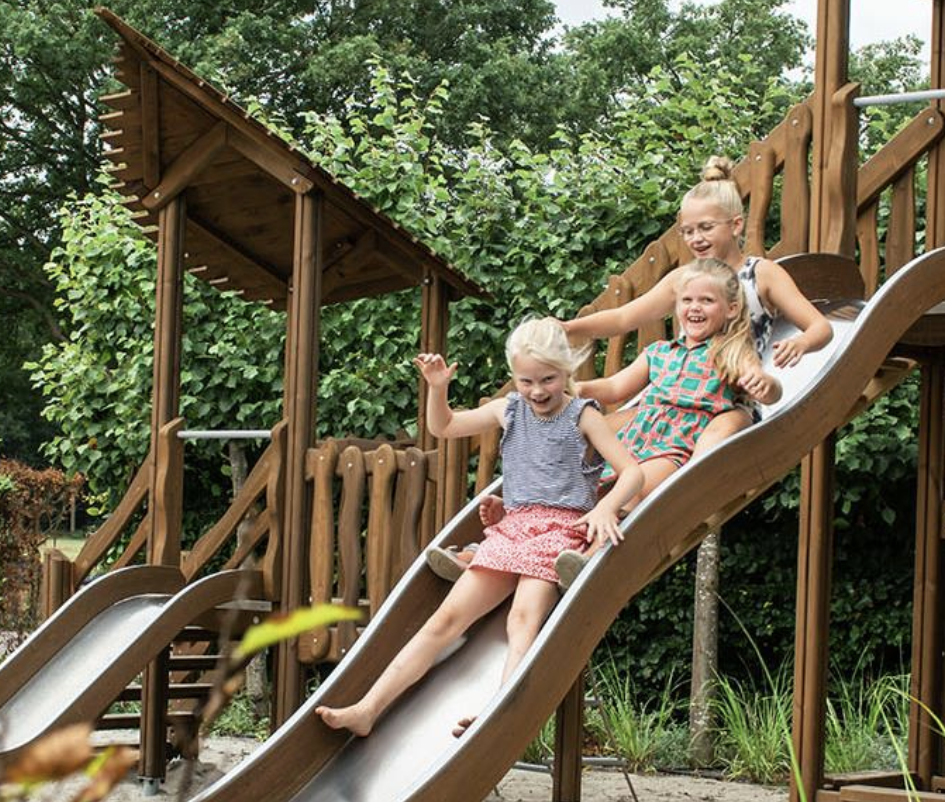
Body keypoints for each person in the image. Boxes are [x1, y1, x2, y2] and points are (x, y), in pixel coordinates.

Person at [315, 317, 644, 738]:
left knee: (522, 620)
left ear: (567, 372)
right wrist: (437, 388)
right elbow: (444, 427)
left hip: (561, 532)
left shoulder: (583, 416)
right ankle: (368, 709)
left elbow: (631, 472)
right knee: (444, 620)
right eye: (526, 381)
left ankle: (499, 709)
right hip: (513, 529)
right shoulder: (508, 411)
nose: (538, 390)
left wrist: (608, 507)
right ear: (513, 377)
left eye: (548, 379)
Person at [433, 258, 784, 589]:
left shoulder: (733, 352)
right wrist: (575, 388)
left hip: (676, 445)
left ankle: (587, 557)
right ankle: (483, 551)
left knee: (634, 494)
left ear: (732, 308)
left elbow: (764, 387)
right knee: (579, 497)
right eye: (687, 299)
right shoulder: (659, 352)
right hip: (637, 436)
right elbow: (617, 387)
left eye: (706, 300)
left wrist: (766, 387)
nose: (694, 308)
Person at [562, 155, 831, 451]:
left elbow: (821, 327)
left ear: (736, 225)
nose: (696, 238)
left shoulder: (761, 274)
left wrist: (802, 343)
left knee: (711, 439)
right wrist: (569, 328)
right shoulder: (684, 279)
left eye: (705, 227)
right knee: (590, 433)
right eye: (688, 231)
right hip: (676, 400)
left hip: (728, 402)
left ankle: (684, 491)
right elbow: (623, 318)